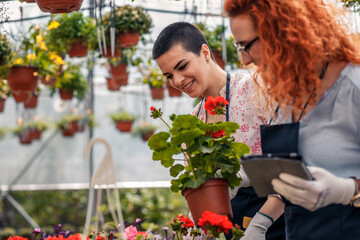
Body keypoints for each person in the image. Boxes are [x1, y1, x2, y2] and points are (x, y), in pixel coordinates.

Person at [224, 0, 360, 239]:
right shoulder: (286, 96)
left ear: (282, 32)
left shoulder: (353, 85)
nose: (244, 60)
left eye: (246, 46)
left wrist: (348, 191)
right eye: (238, 47)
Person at [152, 22, 285, 240]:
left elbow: (289, 165)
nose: (177, 80)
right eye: (168, 75)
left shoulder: (256, 89)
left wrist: (260, 225)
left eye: (182, 66)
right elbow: (201, 194)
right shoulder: (192, 125)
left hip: (276, 223)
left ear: (205, 52)